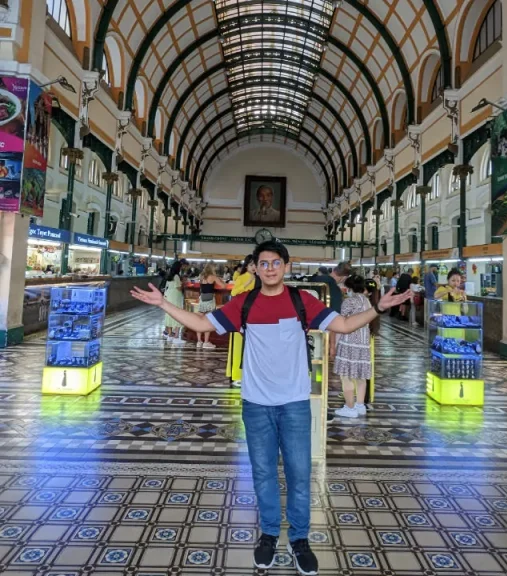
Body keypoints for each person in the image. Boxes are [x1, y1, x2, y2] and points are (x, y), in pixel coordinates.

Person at [130, 241, 410, 576]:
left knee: (299, 474)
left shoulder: (302, 301)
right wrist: (163, 303)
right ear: (256, 268)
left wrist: (378, 307)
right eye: (264, 263)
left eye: (276, 262)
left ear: (286, 266)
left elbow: (346, 326)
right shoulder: (243, 303)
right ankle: (269, 534)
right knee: (262, 474)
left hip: (293, 403)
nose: (270, 268)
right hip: (256, 404)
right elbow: (203, 324)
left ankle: (300, 539)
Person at [333, 275, 377, 419]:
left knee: (346, 377)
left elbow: (342, 324)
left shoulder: (349, 302)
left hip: (349, 342)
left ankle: (350, 407)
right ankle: (360, 405)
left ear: (350, 288)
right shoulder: (367, 301)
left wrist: (334, 344)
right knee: (360, 376)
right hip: (363, 343)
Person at [226, 255, 258, 388]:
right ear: (246, 266)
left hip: (251, 314)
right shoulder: (242, 277)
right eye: (251, 265)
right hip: (240, 314)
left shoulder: (257, 278)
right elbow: (234, 292)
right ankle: (236, 375)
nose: (253, 268)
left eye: (255, 265)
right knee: (238, 344)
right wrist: (246, 284)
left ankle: (244, 374)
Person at [197, 263, 226, 349]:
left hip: (202, 299)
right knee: (209, 321)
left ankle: (199, 342)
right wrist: (221, 280)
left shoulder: (201, 276)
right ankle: (206, 342)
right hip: (210, 300)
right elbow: (223, 286)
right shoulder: (213, 276)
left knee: (199, 320)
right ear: (212, 268)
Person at [162, 259, 187, 345]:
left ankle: (169, 336)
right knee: (178, 314)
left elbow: (167, 287)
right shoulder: (176, 276)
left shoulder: (169, 275)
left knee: (169, 315)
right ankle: (176, 336)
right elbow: (178, 288)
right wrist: (183, 283)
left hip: (168, 296)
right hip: (175, 297)